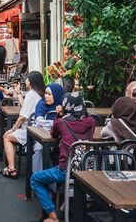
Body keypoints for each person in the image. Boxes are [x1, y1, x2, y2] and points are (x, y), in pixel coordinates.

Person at [31, 92, 95, 222]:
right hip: (87, 170)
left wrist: (60, 114)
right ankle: (64, 207)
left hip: (65, 171)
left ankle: (53, 216)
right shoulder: (91, 121)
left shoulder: (61, 122)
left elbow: (53, 133)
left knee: (35, 179)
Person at [0, 71, 45, 178]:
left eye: (27, 79)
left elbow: (23, 116)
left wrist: (13, 129)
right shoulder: (40, 93)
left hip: (30, 130)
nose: (26, 80)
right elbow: (25, 106)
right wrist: (18, 92)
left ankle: (11, 169)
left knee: (6, 137)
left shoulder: (31, 94)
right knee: (11, 136)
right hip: (39, 129)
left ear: (31, 81)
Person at [32, 83, 65, 172]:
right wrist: (58, 123)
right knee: (40, 150)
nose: (46, 96)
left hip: (61, 137)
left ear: (57, 95)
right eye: (45, 93)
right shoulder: (41, 104)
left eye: (49, 94)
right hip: (43, 136)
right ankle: (39, 179)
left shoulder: (64, 104)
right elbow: (39, 121)